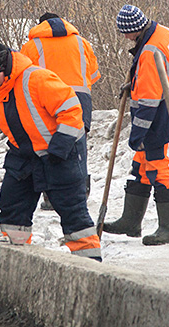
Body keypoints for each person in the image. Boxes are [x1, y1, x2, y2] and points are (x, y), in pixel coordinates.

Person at [0, 40, 101, 261]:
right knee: (12, 210)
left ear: (4, 68)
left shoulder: (37, 79)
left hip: (59, 155)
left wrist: (60, 146)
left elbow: (72, 111)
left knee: (74, 215)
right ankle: (16, 259)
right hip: (23, 158)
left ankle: (91, 265)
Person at [102, 5, 169, 246]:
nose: (124, 37)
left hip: (161, 115)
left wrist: (138, 134)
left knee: (156, 165)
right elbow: (159, 75)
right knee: (141, 164)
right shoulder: (165, 33)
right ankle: (130, 221)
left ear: (134, 30)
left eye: (125, 33)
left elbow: (147, 102)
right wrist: (135, 83)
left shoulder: (149, 52)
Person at [20, 12, 101, 211]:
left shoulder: (31, 46)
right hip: (80, 99)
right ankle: (80, 193)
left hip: (48, 100)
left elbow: (22, 78)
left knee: (51, 145)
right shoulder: (83, 43)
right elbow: (93, 75)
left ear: (40, 26)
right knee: (78, 146)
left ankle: (51, 196)